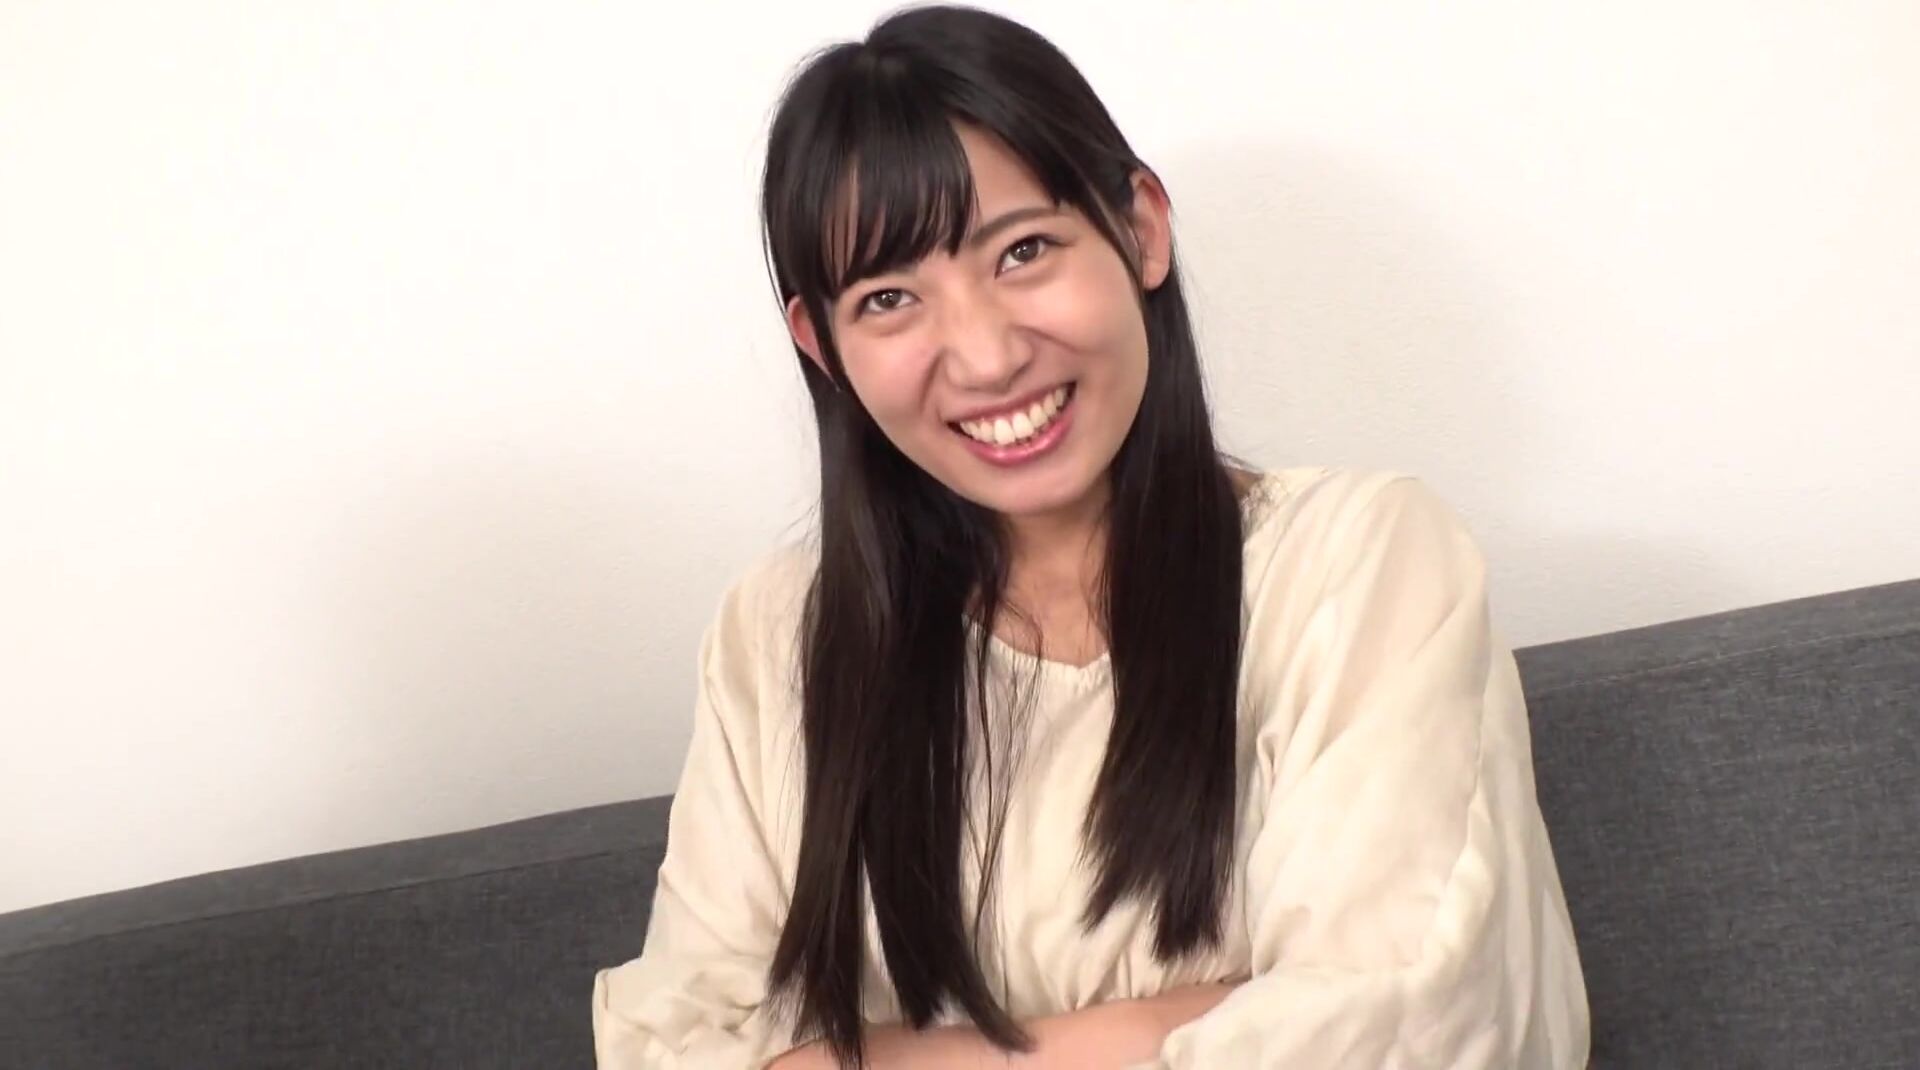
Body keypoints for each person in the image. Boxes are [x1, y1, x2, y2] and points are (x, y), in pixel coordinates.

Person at [592, 5, 1590, 1067]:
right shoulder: (779, 638)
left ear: (1141, 228)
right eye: (889, 299)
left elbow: (1396, 1025)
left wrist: (875, 1056)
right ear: (822, 346)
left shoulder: (1360, 566)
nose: (984, 356)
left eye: (1022, 251)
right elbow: (674, 1044)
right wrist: (1187, 1019)